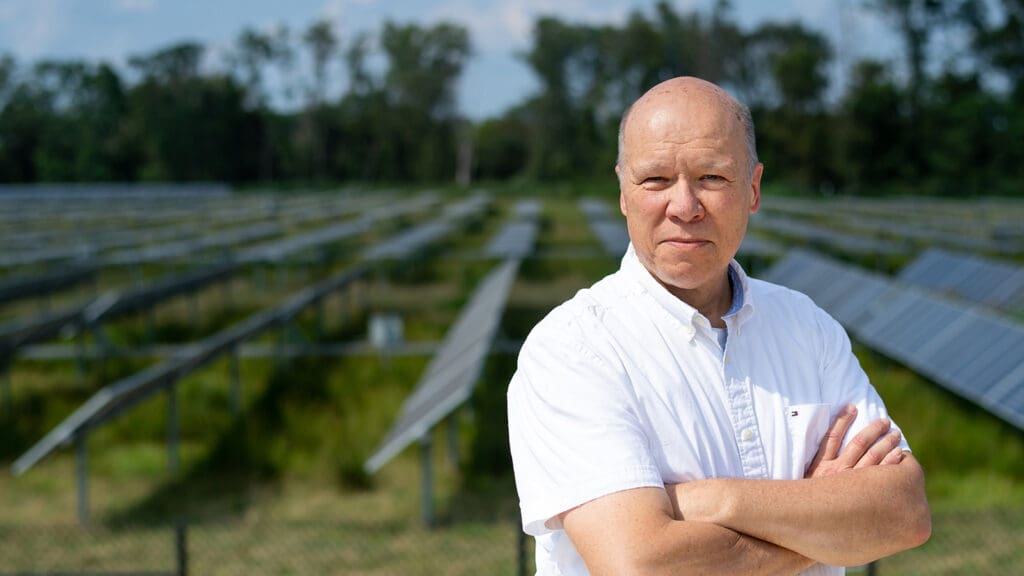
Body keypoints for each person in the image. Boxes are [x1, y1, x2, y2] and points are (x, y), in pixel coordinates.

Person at [507, 76, 931, 575]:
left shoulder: (808, 328)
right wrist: (823, 523)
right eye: (656, 180)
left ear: (752, 188)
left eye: (712, 177)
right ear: (623, 192)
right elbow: (640, 567)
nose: (684, 207)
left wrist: (714, 501)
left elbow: (905, 514)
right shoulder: (572, 350)